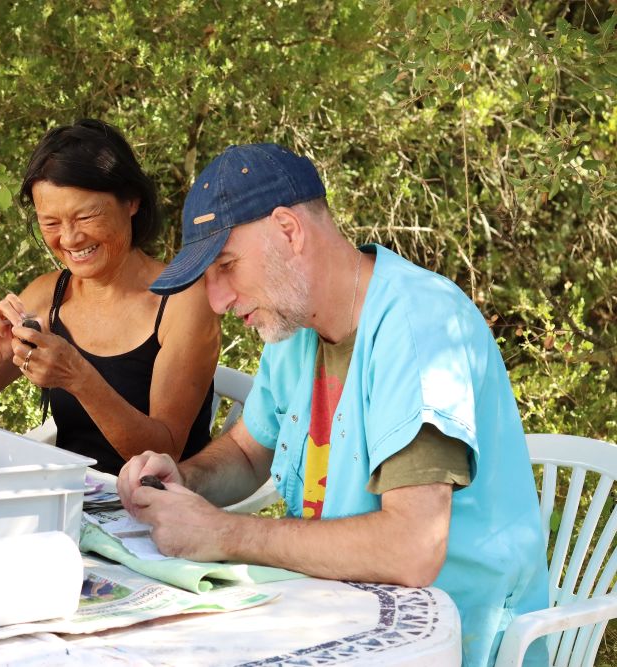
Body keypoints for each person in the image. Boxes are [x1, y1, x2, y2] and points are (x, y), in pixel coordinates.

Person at [116, 143, 549, 666]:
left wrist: (224, 533)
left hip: (449, 646)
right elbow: (250, 453)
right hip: (338, 624)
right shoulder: (294, 328)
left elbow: (410, 549)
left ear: (288, 231)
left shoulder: (417, 326)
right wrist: (182, 481)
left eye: (226, 266)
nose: (216, 300)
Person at [0, 119, 220, 476]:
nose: (69, 239)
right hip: (72, 502)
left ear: (132, 200)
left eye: (86, 216)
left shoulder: (182, 299)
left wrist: (79, 378)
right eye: (50, 223)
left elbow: (165, 453)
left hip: (162, 507)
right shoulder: (48, 295)